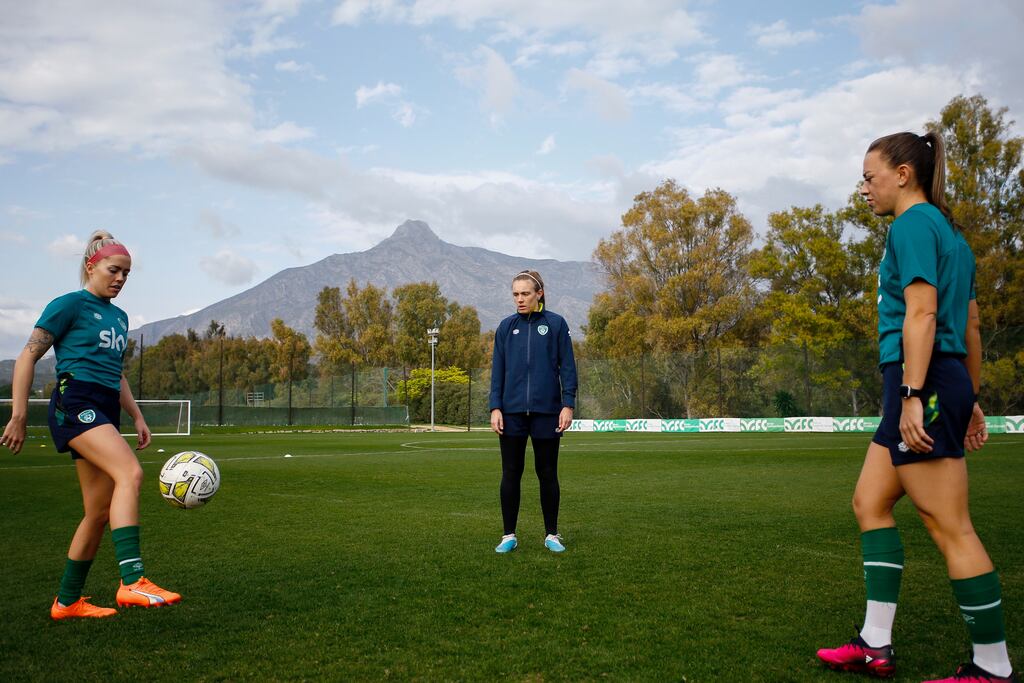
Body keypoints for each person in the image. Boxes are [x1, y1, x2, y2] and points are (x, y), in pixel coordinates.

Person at [816, 133, 1016, 682]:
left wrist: (913, 394)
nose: (864, 188)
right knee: (869, 502)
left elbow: (923, 314)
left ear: (903, 174)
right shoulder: (951, 232)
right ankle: (874, 644)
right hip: (938, 380)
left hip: (919, 381)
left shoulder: (912, 224)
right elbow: (971, 324)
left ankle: (992, 668)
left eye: (869, 176)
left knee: (951, 526)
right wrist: (969, 398)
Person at [1, 230, 181, 619]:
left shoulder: (120, 317)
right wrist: (18, 415)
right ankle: (132, 581)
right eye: (114, 270)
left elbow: (116, 374)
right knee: (130, 473)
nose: (120, 279)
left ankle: (67, 602)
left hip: (104, 407)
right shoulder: (69, 305)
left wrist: (136, 415)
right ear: (91, 267)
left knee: (98, 512)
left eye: (127, 274)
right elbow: (28, 357)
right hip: (74, 402)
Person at [489, 270, 577, 553]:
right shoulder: (506, 327)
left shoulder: (556, 324)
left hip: (547, 411)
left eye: (525, 293)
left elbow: (568, 367)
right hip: (511, 412)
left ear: (539, 293)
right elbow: (497, 372)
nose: (520, 299)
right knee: (510, 472)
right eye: (515, 294)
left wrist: (567, 404)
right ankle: (508, 536)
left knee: (547, 472)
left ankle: (552, 534)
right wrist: (495, 407)